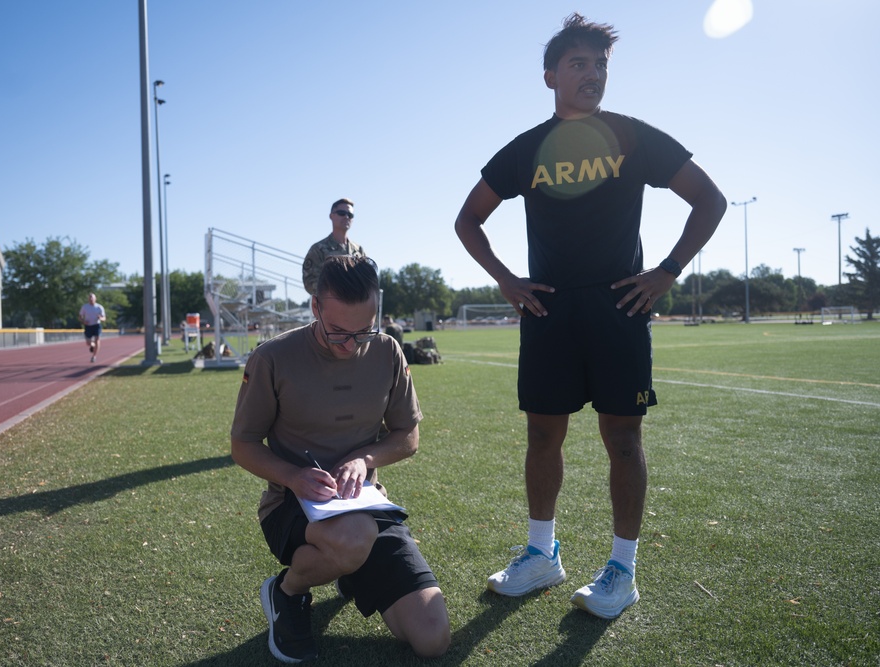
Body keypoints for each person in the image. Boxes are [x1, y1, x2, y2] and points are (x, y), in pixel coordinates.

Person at [454, 13, 726, 619]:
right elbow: (467, 219)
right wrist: (506, 281)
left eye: (601, 64)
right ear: (550, 75)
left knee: (623, 440)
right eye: (579, 63)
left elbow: (710, 199)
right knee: (541, 434)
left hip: (618, 308)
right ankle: (541, 554)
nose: (593, 74)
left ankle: (622, 569)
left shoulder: (632, 136)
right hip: (548, 310)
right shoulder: (526, 148)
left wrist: (667, 271)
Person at [231, 255, 450, 663]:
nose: (351, 345)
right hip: (292, 505)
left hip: (364, 503)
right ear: (315, 307)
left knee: (432, 639)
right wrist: (295, 476)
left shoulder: (387, 351)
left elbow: (408, 437)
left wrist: (364, 458)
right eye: (337, 332)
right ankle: (287, 591)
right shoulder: (273, 358)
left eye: (363, 331)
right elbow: (242, 444)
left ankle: (350, 567)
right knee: (353, 538)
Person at [301, 198, 367, 295]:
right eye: (341, 213)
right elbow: (309, 282)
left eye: (350, 215)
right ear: (331, 216)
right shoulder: (318, 249)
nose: (346, 217)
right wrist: (335, 292)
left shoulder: (358, 251)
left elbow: (367, 280)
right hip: (330, 307)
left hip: (355, 307)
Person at [78, 293, 106, 363]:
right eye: (90, 298)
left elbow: (104, 318)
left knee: (97, 340)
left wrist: (101, 318)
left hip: (96, 325)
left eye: (92, 298)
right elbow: (80, 317)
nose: (91, 300)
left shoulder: (99, 307)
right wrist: (83, 321)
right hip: (88, 326)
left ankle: (94, 356)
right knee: (88, 343)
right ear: (88, 299)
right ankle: (92, 345)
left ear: (95, 299)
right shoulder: (84, 307)